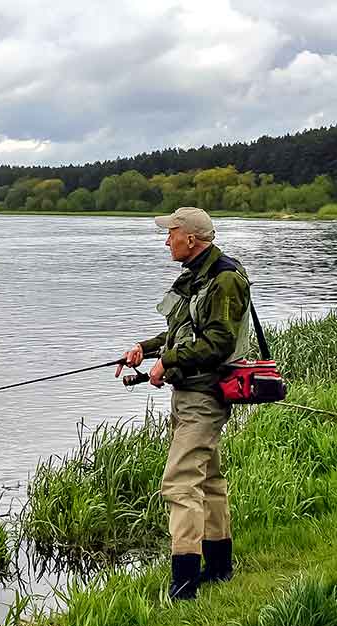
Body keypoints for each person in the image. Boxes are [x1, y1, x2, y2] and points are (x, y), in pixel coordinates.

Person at [115, 206, 252, 600]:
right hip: (190, 393)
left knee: (179, 483)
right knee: (209, 480)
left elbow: (218, 343)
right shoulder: (199, 276)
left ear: (191, 238)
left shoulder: (225, 280)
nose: (166, 240)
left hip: (205, 397)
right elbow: (182, 332)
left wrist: (168, 362)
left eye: (170, 233)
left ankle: (184, 585)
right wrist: (146, 349)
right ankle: (220, 569)